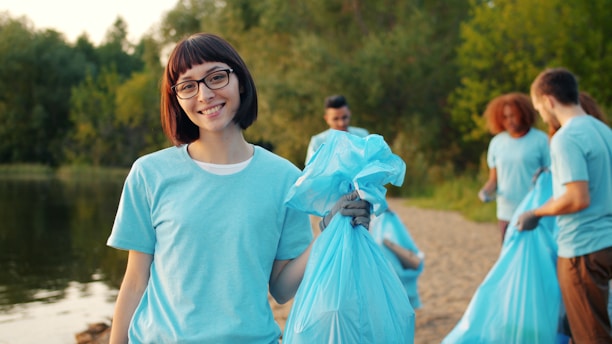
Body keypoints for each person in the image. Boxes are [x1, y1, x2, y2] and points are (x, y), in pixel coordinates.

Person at [106, 33, 370, 344]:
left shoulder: (284, 177)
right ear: (176, 97)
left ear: (240, 82)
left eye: (216, 77)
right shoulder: (149, 174)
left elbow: (282, 289)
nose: (204, 94)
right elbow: (136, 281)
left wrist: (328, 231)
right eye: (188, 85)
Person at [517, 67, 612, 343]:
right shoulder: (604, 131)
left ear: (548, 100)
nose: (541, 115)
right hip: (607, 242)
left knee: (590, 334)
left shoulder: (566, 138)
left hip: (583, 248)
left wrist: (536, 212)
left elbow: (577, 198)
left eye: (538, 107)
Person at [478, 92, 550, 243]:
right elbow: (494, 179)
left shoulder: (541, 140)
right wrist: (485, 192)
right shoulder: (497, 143)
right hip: (506, 211)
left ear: (523, 114)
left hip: (532, 211)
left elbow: (550, 178)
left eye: (513, 115)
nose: (509, 120)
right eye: (505, 117)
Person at [304, 95, 369, 165]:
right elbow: (310, 170)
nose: (341, 123)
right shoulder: (318, 142)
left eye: (344, 117)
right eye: (335, 119)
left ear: (350, 113)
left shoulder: (363, 135)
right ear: (327, 119)